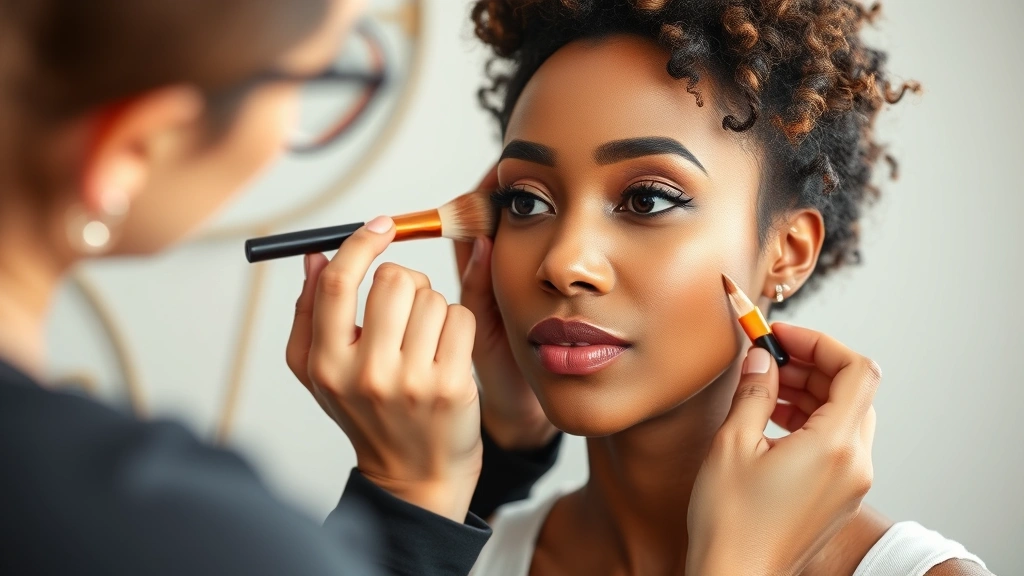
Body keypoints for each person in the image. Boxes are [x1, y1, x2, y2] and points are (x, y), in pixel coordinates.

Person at [457, 0, 992, 575]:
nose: (563, 263)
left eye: (647, 199)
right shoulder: (465, 555)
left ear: (787, 252)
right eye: (527, 201)